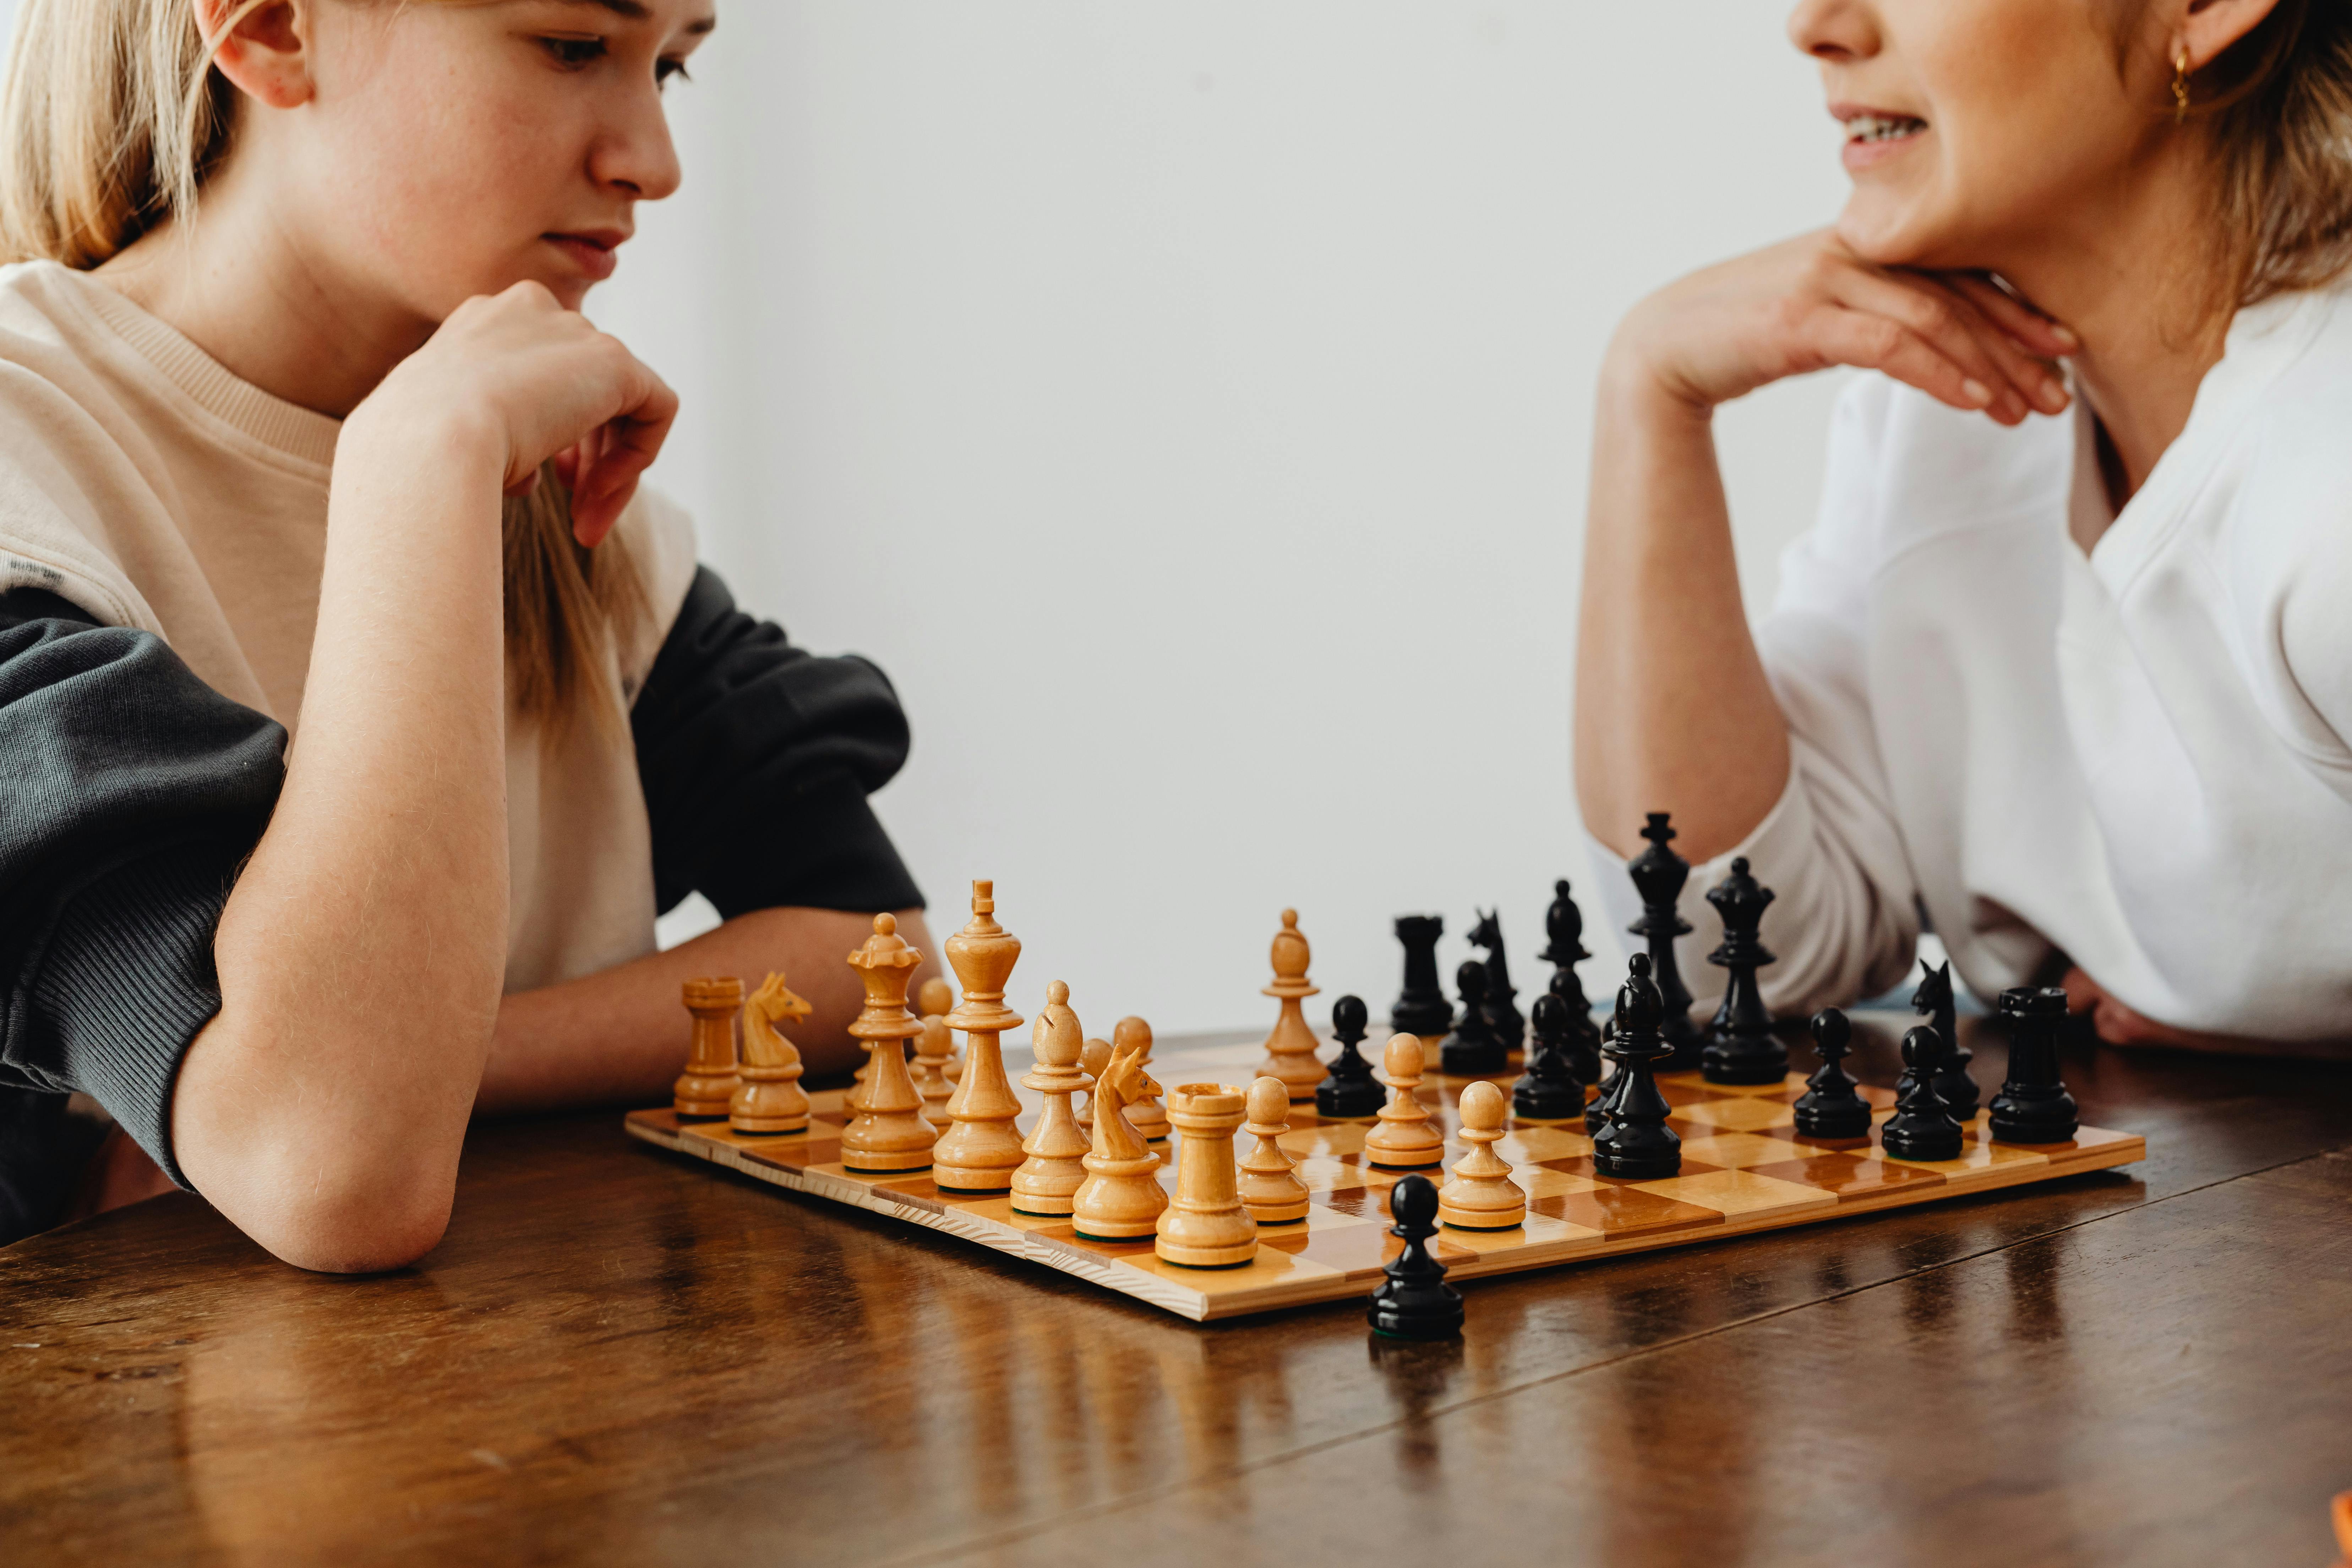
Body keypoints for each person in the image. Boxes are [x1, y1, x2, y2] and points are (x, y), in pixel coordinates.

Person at [0, 0, 938, 1262]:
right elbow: (335, 1167)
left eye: (671, 68)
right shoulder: (33, 477)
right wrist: (419, 460)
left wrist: (455, 1057)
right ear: (275, 29)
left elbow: (879, 960)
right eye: (571, 47)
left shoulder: (578, 512)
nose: (654, 162)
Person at [1576, 0, 2352, 1054]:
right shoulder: (1940, 411)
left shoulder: (2325, 464)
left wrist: (2289, 1028)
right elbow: (1726, 956)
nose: (1815, 25)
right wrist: (1651, 389)